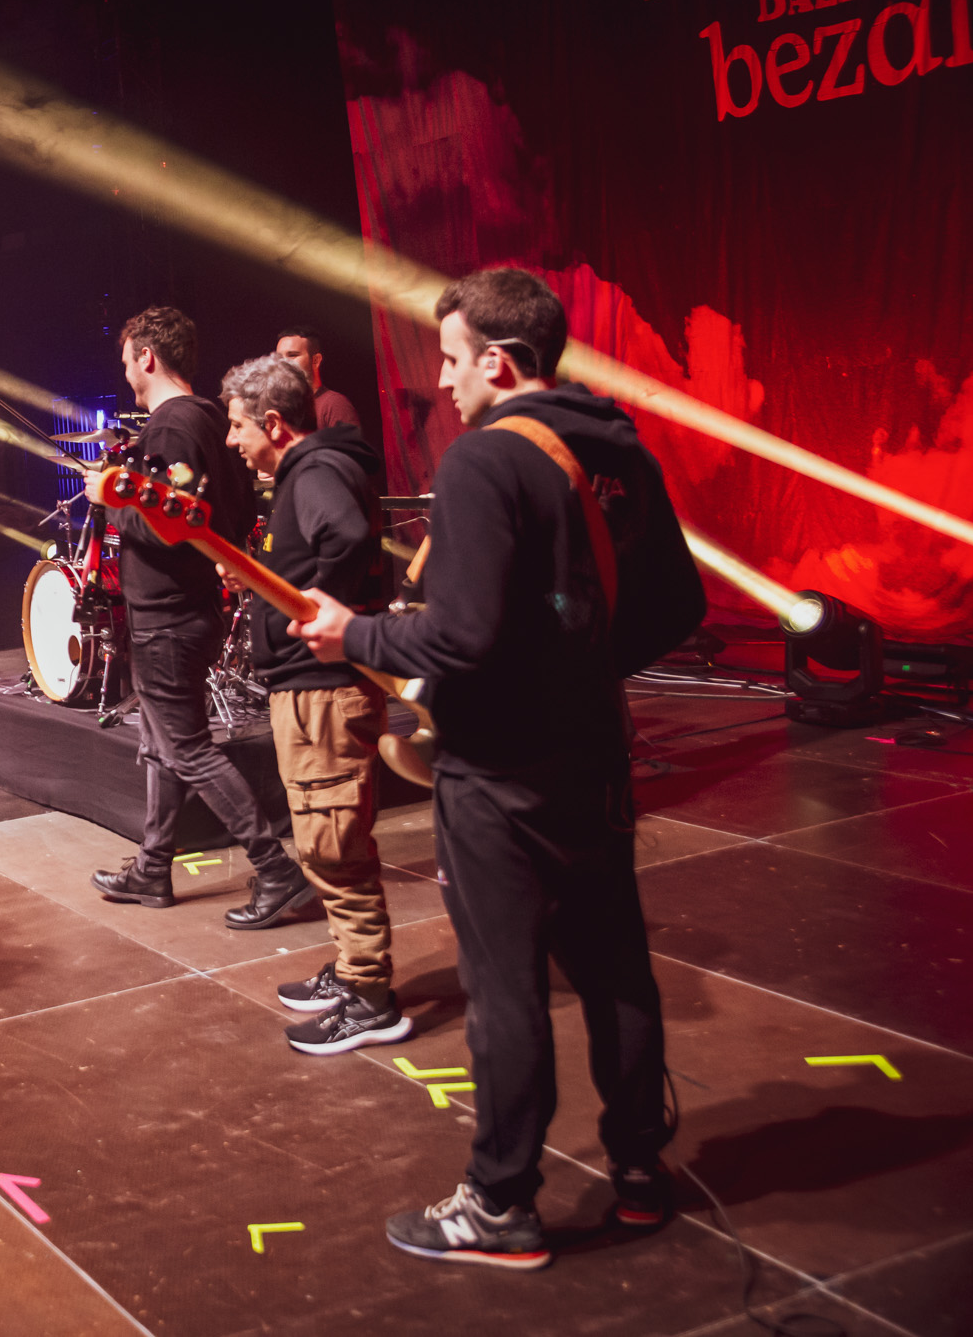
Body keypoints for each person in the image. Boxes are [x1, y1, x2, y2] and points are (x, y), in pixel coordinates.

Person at [296, 267, 704, 1270]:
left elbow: (464, 635)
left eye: (451, 360)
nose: (441, 381)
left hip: (497, 767)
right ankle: (639, 1168)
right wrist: (581, 670)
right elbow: (677, 605)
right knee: (614, 968)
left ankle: (499, 1202)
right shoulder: (618, 449)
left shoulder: (483, 460)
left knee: (505, 984)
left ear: (501, 361)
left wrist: (355, 633)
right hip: (592, 754)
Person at [82, 307, 311, 926]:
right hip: (186, 609)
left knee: (186, 748)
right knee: (161, 746)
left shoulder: (173, 426)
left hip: (169, 614)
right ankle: (153, 868)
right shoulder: (209, 419)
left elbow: (171, 527)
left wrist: (110, 500)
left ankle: (277, 871)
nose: (125, 371)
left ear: (146, 357)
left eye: (127, 359)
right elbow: (225, 517)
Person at [219, 353, 409, 1053]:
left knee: (332, 844)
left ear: (273, 423)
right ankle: (353, 968)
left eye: (239, 426)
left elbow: (348, 538)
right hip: (313, 690)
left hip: (322, 693)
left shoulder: (315, 472)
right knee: (327, 838)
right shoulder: (316, 470)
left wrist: (323, 609)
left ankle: (369, 996)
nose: (233, 442)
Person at [275, 326, 364, 433]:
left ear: (316, 360)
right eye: (279, 357)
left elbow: (349, 444)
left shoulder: (334, 404)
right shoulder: (278, 406)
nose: (283, 362)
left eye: (292, 355)